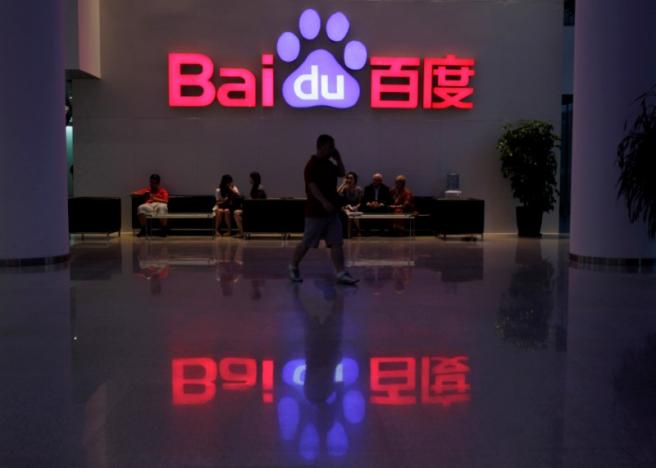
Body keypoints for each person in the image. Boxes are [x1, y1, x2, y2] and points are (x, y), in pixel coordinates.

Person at [289, 134, 358, 285]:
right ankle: (293, 266)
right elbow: (312, 186)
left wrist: (338, 159)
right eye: (330, 146)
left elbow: (341, 173)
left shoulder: (329, 164)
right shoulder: (312, 164)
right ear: (321, 147)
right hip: (315, 211)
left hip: (331, 211)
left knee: (336, 242)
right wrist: (323, 201)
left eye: (334, 146)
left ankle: (340, 272)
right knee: (307, 242)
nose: (332, 149)